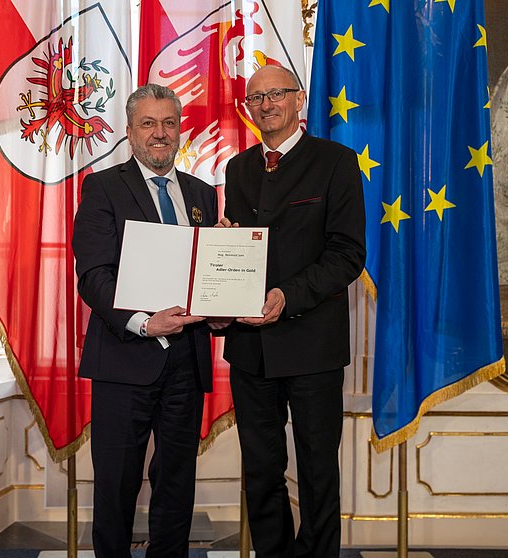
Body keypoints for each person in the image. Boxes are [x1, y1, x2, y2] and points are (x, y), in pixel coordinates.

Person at [221, 65, 366, 557]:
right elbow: (240, 250)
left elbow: (347, 253)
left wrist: (286, 296)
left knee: (318, 470)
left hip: (313, 346)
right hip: (250, 350)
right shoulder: (237, 169)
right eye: (255, 98)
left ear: (298, 99)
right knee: (260, 471)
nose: (266, 104)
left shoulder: (336, 161)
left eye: (276, 94)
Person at [72, 83, 218, 558]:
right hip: (124, 357)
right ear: (130, 131)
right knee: (116, 485)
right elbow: (92, 275)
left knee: (176, 482)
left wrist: (222, 301)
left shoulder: (201, 194)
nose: (160, 134)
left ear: (180, 130)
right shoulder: (103, 186)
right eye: (149, 124)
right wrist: (142, 321)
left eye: (169, 123)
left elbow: (206, 274)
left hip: (187, 360)